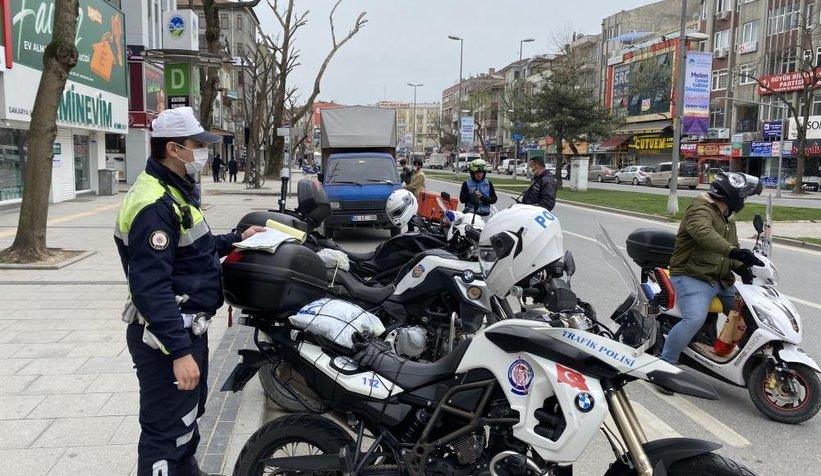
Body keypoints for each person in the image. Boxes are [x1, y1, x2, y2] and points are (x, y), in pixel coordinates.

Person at [114, 107, 264, 476]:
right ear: (173, 148)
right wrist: (179, 352)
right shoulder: (154, 205)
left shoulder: (173, 191)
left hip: (184, 331)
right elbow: (150, 288)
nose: (203, 152)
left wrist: (237, 239)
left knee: (186, 421)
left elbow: (194, 248)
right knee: (166, 433)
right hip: (166, 340)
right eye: (197, 145)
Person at [659, 172, 764, 366]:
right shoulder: (700, 209)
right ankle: (665, 362)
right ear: (731, 194)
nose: (744, 200)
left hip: (722, 281)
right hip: (692, 276)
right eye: (743, 196)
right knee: (694, 318)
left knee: (753, 315)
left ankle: (748, 363)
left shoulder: (727, 216)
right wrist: (733, 252)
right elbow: (704, 234)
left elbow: (732, 247)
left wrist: (743, 267)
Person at [403, 159, 426, 232]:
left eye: (416, 165)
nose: (414, 166)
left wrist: (404, 187)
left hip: (418, 197)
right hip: (413, 195)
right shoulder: (414, 173)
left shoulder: (421, 175)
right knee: (411, 213)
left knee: (416, 214)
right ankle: (411, 229)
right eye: (414, 165)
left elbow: (413, 185)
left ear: (420, 166)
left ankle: (420, 230)